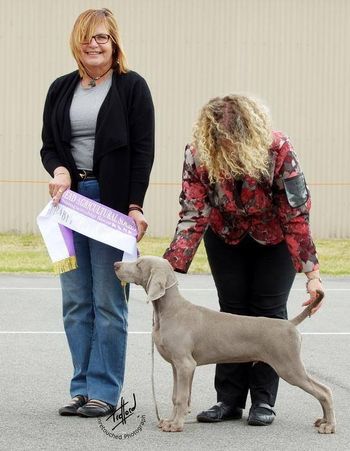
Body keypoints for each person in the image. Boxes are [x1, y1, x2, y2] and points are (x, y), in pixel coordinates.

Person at [163, 94, 324, 426]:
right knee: (231, 313)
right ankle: (228, 399)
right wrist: (169, 269)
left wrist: (312, 275)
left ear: (252, 133)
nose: (229, 147)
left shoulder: (279, 150)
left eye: (236, 140)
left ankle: (263, 401)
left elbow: (295, 214)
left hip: (274, 237)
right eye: (221, 141)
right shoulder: (197, 154)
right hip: (225, 236)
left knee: (267, 312)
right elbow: (193, 214)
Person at [40, 8, 154, 417]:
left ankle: (105, 390)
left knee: (109, 299)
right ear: (77, 42)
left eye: (102, 37)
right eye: (88, 37)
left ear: (114, 43)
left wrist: (135, 206)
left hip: (111, 203)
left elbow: (143, 151)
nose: (94, 44)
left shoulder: (132, 87)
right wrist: (60, 171)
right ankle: (81, 388)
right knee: (74, 299)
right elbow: (49, 145)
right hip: (69, 204)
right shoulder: (60, 89)